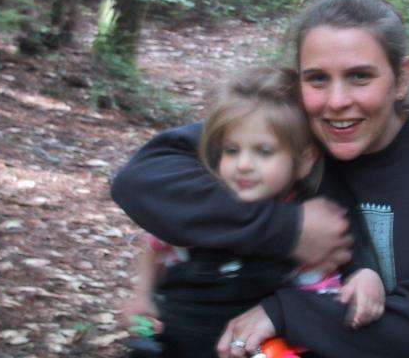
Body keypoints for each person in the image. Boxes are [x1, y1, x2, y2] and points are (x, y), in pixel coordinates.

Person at [112, 0, 409, 358]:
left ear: (401, 78)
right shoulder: (294, 133)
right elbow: (142, 180)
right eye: (318, 79)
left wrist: (286, 313)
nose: (337, 101)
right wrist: (288, 228)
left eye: (360, 76)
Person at [119, 66, 384, 357]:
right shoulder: (201, 207)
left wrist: (361, 274)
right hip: (175, 339)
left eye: (264, 152)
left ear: (304, 161)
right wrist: (143, 296)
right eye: (232, 150)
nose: (244, 164)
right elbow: (155, 246)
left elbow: (319, 292)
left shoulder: (308, 225)